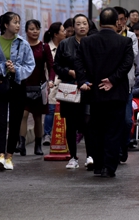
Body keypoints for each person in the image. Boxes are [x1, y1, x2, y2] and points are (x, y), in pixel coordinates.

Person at [78, 8, 135, 178]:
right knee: (113, 130)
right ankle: (109, 166)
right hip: (116, 93)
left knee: (96, 129)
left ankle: (98, 164)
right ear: (117, 22)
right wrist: (112, 80)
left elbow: (79, 63)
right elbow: (127, 64)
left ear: (99, 23)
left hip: (94, 91)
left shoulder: (87, 42)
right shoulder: (124, 42)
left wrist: (84, 80)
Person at [0, 11, 36, 171]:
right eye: (14, 22)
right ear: (6, 25)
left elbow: (30, 65)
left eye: (19, 22)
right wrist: (3, 67)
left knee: (15, 121)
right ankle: (0, 154)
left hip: (18, 85)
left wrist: (16, 70)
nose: (18, 25)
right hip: (0, 84)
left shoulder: (23, 44)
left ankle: (10, 155)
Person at [54, 14, 90, 169]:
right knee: (70, 123)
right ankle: (73, 157)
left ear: (88, 26)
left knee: (88, 123)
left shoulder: (93, 43)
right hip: (69, 88)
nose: (81, 26)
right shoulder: (65, 44)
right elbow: (57, 65)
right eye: (78, 24)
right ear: (73, 27)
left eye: (84, 23)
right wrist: (69, 72)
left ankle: (90, 155)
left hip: (89, 88)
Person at [19, 19, 55, 156]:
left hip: (39, 86)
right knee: (23, 114)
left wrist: (51, 80)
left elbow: (51, 66)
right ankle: (21, 144)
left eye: (37, 29)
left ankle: (38, 145)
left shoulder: (44, 47)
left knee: (37, 117)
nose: (35, 32)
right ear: (26, 31)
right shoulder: (21, 46)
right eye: (32, 29)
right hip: (23, 84)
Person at [42, 21, 66, 144]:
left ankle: (63, 135)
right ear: (56, 34)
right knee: (51, 109)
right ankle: (47, 134)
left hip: (65, 81)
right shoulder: (46, 47)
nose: (65, 33)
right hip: (51, 83)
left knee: (66, 109)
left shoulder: (66, 46)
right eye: (62, 31)